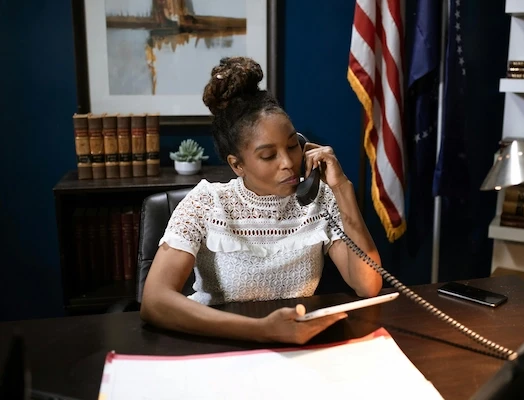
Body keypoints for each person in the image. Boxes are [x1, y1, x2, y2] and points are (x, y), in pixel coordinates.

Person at [140, 56, 382, 345]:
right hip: (219, 345)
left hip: (294, 344)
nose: (288, 163)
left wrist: (341, 188)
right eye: (268, 155)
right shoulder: (206, 203)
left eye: (293, 146)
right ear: (237, 165)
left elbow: (368, 285)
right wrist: (262, 330)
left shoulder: (319, 200)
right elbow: (154, 301)